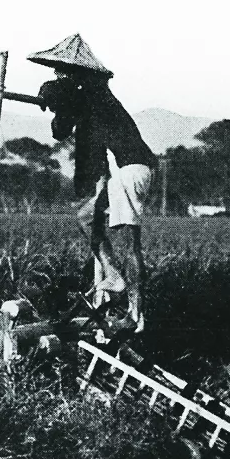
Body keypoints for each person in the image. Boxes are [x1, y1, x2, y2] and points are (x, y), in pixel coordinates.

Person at [30, 34, 157, 335]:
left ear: (75, 73)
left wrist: (49, 95)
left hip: (127, 170)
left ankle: (136, 316)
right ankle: (112, 274)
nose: (57, 75)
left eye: (61, 70)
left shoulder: (86, 93)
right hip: (134, 169)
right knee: (87, 216)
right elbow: (61, 128)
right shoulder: (95, 97)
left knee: (131, 244)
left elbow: (58, 113)